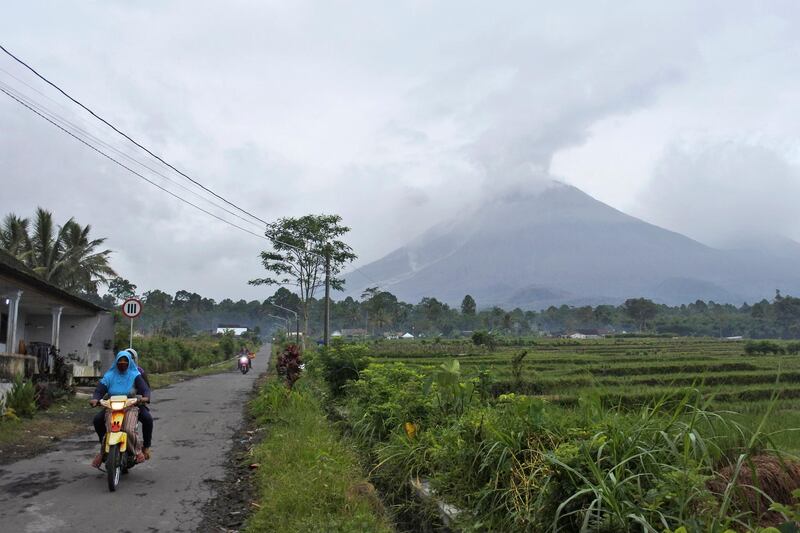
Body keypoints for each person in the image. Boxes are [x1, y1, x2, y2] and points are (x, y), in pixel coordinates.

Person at [89, 351, 152, 468]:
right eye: (120, 362)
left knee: (145, 420)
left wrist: (145, 397)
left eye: (125, 362)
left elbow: (145, 389)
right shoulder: (109, 375)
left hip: (132, 405)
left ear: (130, 362)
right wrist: (95, 398)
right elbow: (100, 390)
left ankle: (143, 449)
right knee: (98, 420)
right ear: (116, 362)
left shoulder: (136, 374)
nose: (122, 365)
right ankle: (104, 449)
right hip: (113, 406)